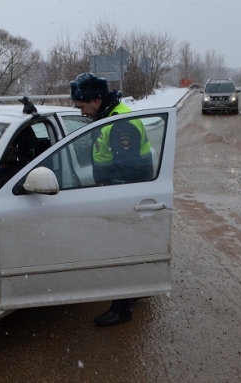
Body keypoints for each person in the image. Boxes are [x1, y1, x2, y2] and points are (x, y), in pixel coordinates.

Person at [69, 72, 153, 326]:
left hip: (122, 196)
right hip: (121, 193)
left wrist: (108, 198)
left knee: (118, 252)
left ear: (96, 100)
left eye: (82, 106)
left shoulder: (120, 123)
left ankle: (121, 308)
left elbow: (127, 169)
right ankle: (135, 292)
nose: (81, 112)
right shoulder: (107, 116)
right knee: (128, 248)